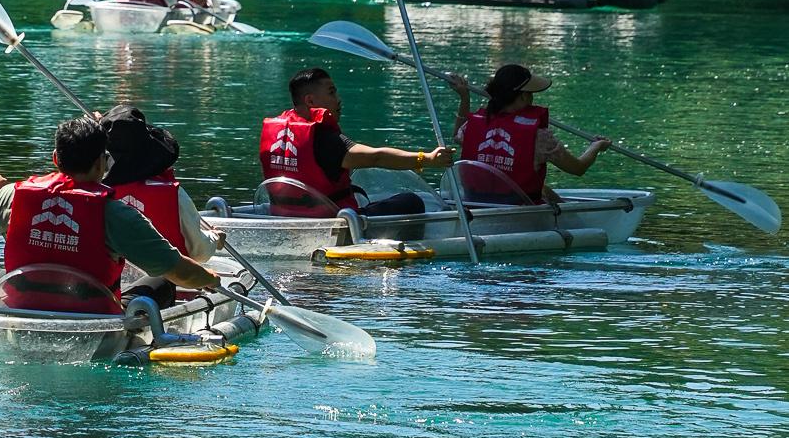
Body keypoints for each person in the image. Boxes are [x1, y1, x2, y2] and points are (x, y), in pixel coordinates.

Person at [0, 116, 222, 312]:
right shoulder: (115, 213)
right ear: (103, 162)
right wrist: (210, 278)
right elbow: (180, 271)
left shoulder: (14, 196)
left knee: (1, 277)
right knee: (162, 280)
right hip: (92, 323)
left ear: (56, 158)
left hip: (24, 313)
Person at [259, 67, 452, 217]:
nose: (338, 99)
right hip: (334, 222)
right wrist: (427, 159)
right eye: (332, 93)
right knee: (411, 201)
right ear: (310, 101)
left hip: (286, 218)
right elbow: (376, 158)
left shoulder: (276, 134)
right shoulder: (324, 138)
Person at [449, 64, 610, 204]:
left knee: (543, 190)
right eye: (531, 93)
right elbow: (578, 168)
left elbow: (457, 133)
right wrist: (595, 147)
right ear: (524, 96)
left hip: (476, 205)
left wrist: (464, 97)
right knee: (539, 190)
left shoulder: (473, 126)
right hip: (520, 211)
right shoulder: (539, 137)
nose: (533, 98)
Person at [102, 105, 216, 264]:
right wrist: (215, 239)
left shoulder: (96, 193)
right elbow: (199, 252)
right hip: (166, 283)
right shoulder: (173, 195)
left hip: (112, 284)